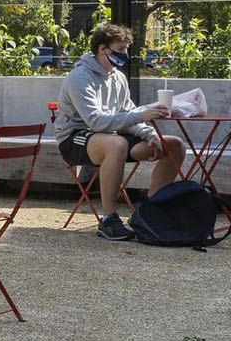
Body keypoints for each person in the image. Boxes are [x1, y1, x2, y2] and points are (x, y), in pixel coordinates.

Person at [56, 22, 185, 241]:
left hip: (111, 135)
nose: (125, 54)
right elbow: (95, 121)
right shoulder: (79, 77)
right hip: (75, 137)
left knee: (173, 145)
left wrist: (149, 134)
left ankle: (149, 212)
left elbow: (127, 113)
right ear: (102, 49)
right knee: (118, 144)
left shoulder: (118, 77)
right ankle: (108, 219)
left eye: (127, 49)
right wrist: (141, 115)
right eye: (120, 49)